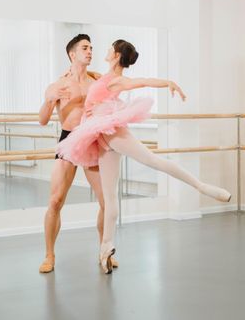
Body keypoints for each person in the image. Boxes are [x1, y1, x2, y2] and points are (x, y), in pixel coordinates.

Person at [56, 39, 232, 274]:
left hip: (111, 130)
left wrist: (167, 82)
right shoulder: (103, 76)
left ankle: (202, 187)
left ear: (116, 55)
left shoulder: (117, 80)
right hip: (100, 137)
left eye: (109, 48)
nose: (104, 51)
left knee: (154, 161)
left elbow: (143, 81)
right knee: (110, 197)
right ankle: (105, 249)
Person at [38, 34, 118, 273]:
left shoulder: (96, 81)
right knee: (55, 200)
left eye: (92, 47)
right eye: (85, 48)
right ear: (72, 54)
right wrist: (49, 100)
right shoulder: (59, 85)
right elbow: (42, 120)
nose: (90, 51)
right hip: (69, 139)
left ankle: (105, 250)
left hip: (91, 139)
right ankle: (49, 255)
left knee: (106, 202)